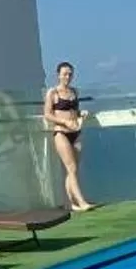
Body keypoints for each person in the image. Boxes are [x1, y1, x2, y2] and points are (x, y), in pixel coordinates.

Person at [42, 61, 91, 214]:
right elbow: (47, 114)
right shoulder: (53, 93)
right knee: (71, 168)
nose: (67, 77)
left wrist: (81, 114)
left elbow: (74, 110)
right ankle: (81, 201)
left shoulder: (74, 92)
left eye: (70, 74)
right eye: (64, 74)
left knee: (73, 169)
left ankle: (69, 203)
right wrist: (64, 122)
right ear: (58, 75)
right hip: (61, 132)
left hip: (75, 132)